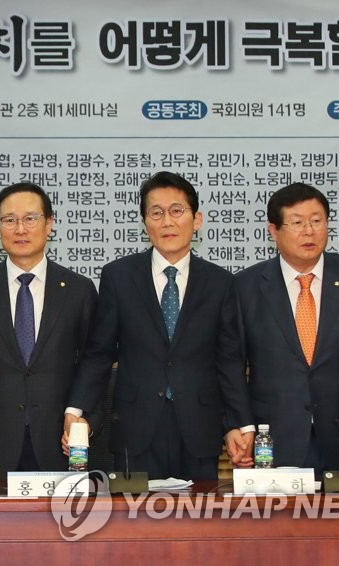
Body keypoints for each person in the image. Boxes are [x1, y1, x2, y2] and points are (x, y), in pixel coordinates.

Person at [66, 171, 253, 480]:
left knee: (199, 510)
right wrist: (76, 410)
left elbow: (229, 360)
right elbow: (98, 354)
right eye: (156, 213)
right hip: (134, 429)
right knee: (133, 512)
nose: (167, 221)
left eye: (177, 211)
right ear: (145, 222)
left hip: (199, 429)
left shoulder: (220, 282)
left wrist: (239, 423)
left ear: (196, 220)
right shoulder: (118, 277)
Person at [0, 182, 96, 474]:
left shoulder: (79, 290)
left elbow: (94, 361)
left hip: (60, 439)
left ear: (49, 223)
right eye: (9, 220)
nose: (20, 229)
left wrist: (81, 417)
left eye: (30, 218)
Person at [236, 182, 339, 472]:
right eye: (297, 223)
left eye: (316, 221)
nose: (309, 231)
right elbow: (232, 364)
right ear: (273, 230)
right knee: (278, 506)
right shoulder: (246, 286)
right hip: (273, 438)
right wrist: (240, 425)